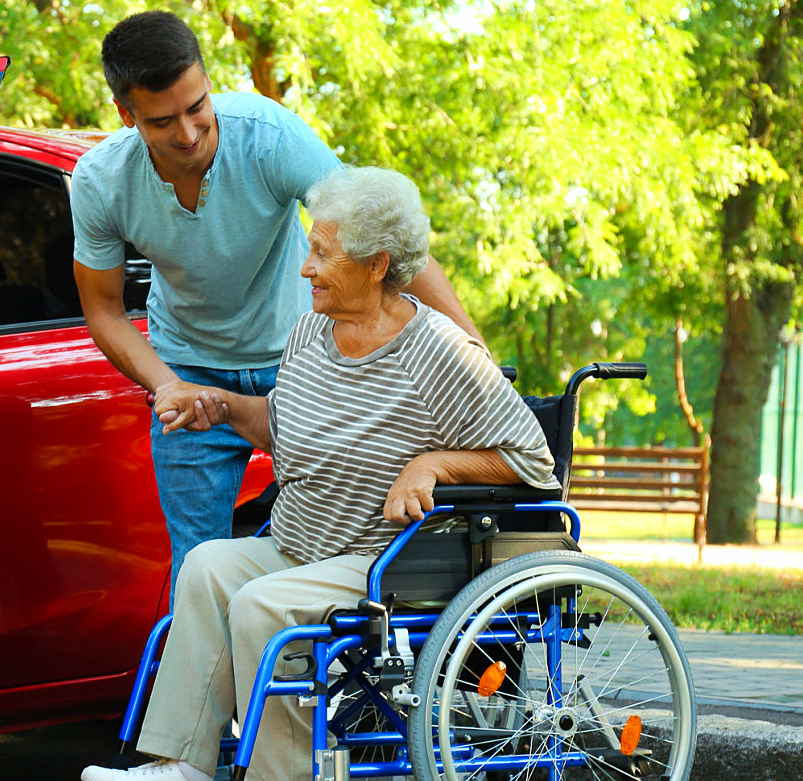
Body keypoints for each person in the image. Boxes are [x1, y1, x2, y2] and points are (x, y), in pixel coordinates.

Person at [80, 166, 559, 781]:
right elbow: (282, 428)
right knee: (205, 567)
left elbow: (531, 463)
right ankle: (182, 766)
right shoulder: (312, 331)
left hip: (380, 562)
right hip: (299, 545)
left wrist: (433, 463)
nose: (305, 268)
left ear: (378, 264)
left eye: (322, 254)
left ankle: (279, 774)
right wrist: (222, 406)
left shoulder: (439, 353)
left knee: (261, 604)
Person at [70, 10, 484, 591]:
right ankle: (210, 680)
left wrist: (472, 349)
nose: (188, 134)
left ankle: (300, 675)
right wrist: (166, 384)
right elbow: (105, 311)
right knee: (196, 567)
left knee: (330, 545)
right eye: (163, 121)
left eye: (197, 108)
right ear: (126, 114)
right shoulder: (101, 181)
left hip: (301, 364)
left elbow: (378, 238)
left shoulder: (268, 137)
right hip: (188, 367)